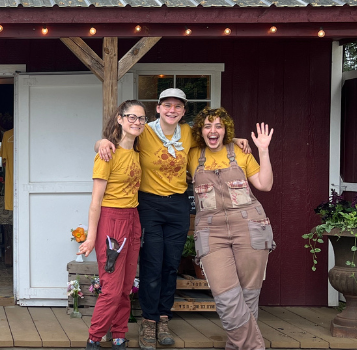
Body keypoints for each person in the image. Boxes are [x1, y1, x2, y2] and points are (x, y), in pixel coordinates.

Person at [93, 88, 248, 350]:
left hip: (177, 204)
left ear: (184, 111)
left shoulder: (188, 132)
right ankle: (148, 322)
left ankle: (163, 318)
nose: (172, 110)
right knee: (152, 264)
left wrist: (236, 140)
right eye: (167, 105)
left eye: (178, 106)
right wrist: (100, 142)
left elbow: (215, 138)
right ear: (158, 107)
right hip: (149, 204)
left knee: (170, 265)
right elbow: (119, 140)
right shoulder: (145, 131)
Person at [187, 107, 274, 350]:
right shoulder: (192, 154)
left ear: (226, 130)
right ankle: (255, 346)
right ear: (200, 131)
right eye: (207, 126)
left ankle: (238, 346)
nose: (212, 131)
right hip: (210, 230)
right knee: (226, 298)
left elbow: (265, 185)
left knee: (248, 295)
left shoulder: (240, 151)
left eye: (218, 126)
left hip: (249, 226)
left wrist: (263, 150)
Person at [77, 100, 147, 350]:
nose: (137, 122)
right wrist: (91, 237)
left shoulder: (138, 151)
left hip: (132, 218)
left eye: (141, 118)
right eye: (131, 117)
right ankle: (94, 337)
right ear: (119, 119)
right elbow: (95, 201)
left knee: (127, 285)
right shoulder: (107, 154)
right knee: (112, 287)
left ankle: (119, 333)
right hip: (112, 220)